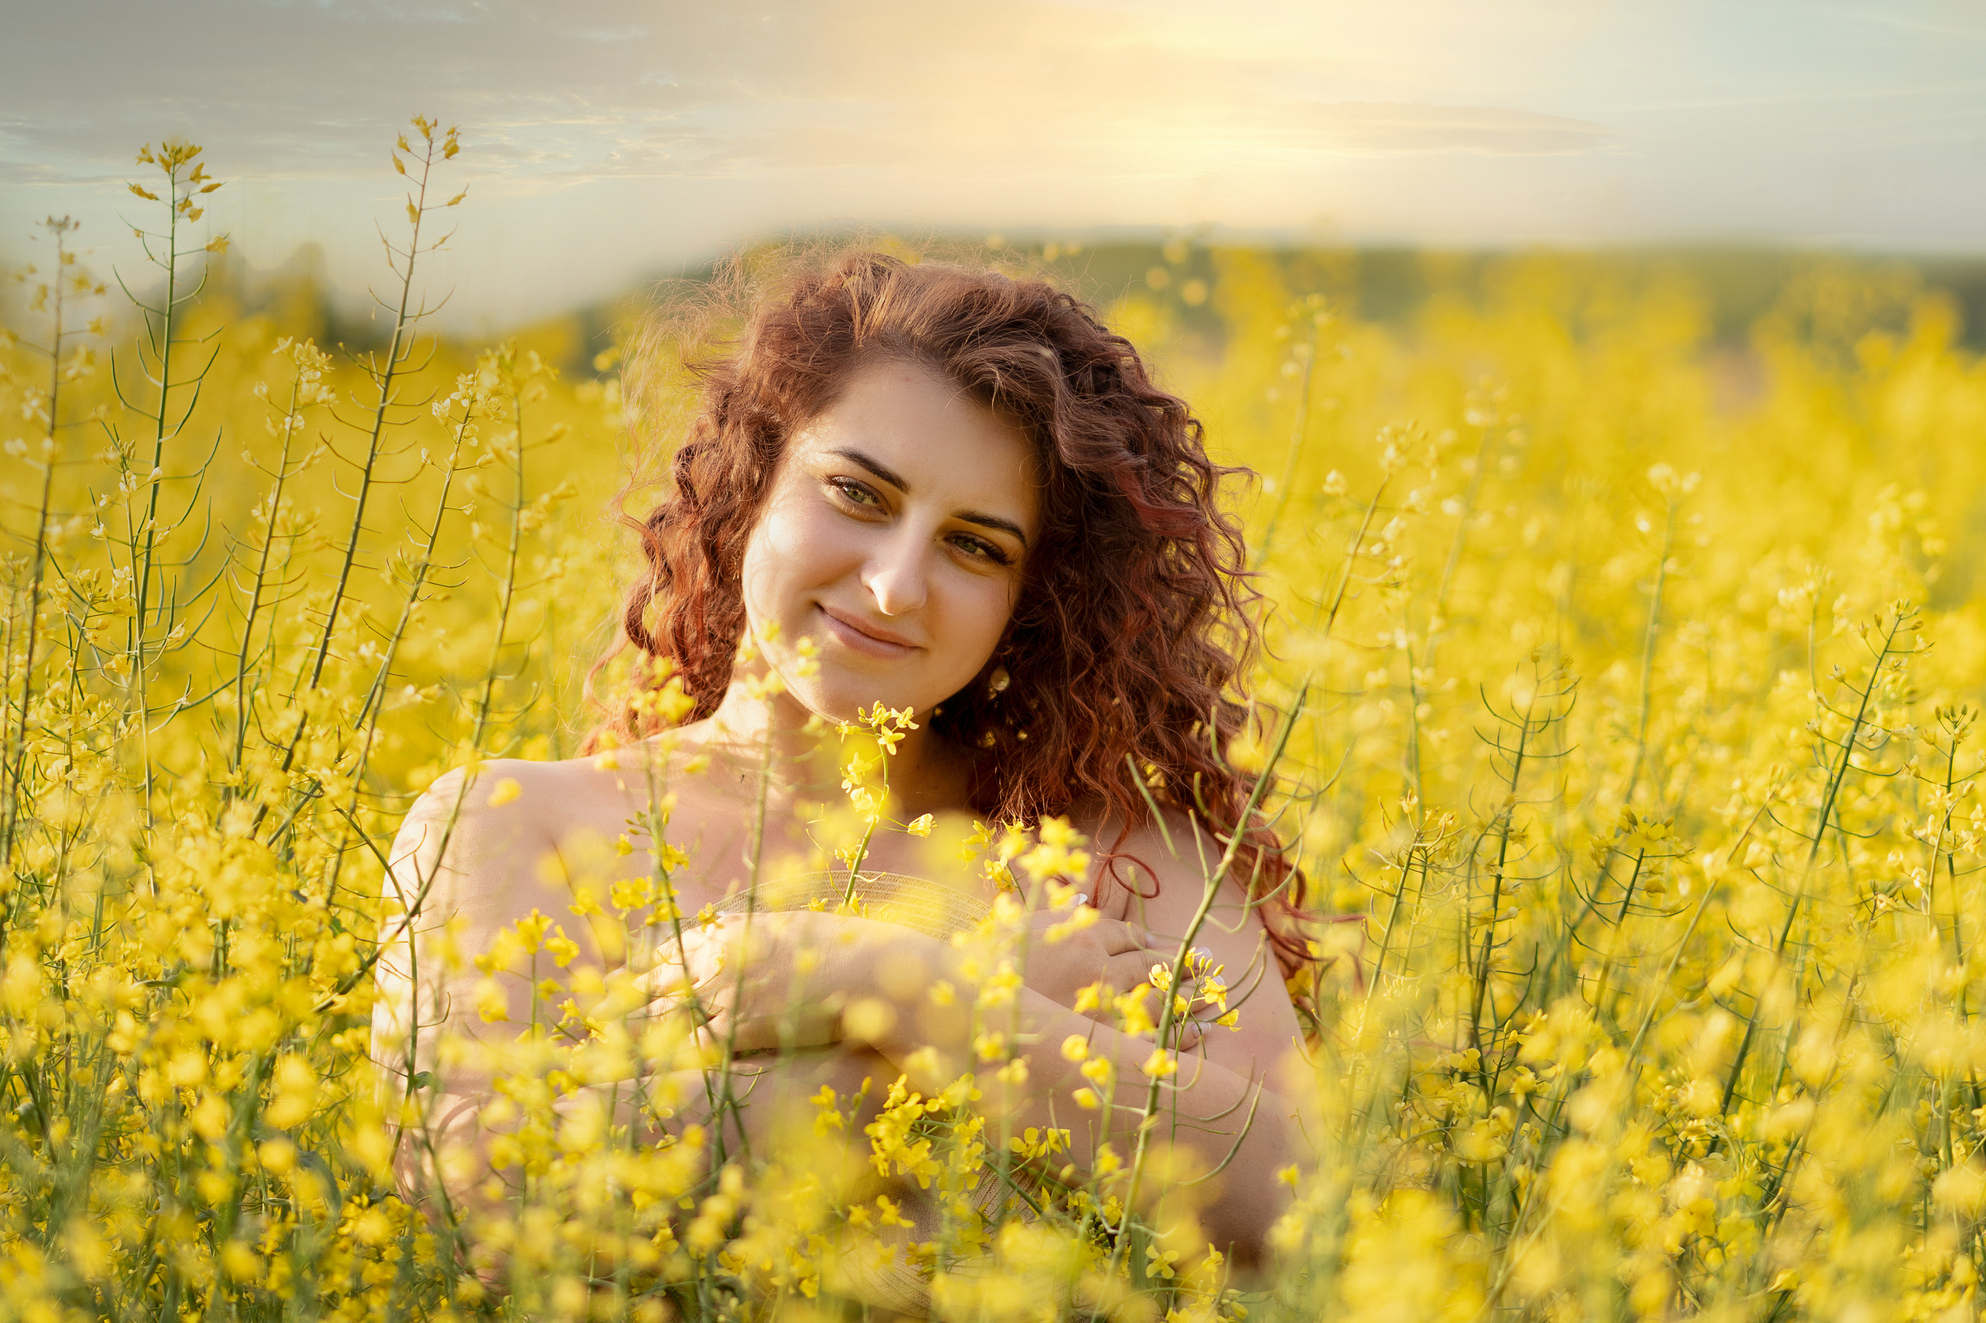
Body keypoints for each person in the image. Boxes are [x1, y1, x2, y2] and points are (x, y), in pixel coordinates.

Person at [374, 251, 1315, 1287]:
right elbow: (487, 1205)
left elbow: (1307, 1205)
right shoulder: (513, 822)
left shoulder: (1131, 856)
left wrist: (894, 990)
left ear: (1030, 602)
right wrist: (1015, 1035)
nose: (894, 585)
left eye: (976, 547)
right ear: (752, 483)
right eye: (857, 493)